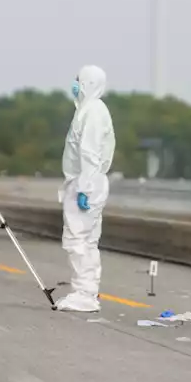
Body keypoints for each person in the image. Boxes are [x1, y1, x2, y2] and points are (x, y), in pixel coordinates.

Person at [54, 65, 116, 312]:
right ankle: (87, 291)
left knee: (77, 238)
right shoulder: (89, 110)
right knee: (88, 240)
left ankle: (84, 294)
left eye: (78, 80)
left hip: (86, 181)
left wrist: (84, 188)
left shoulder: (92, 111)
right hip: (87, 180)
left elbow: (89, 153)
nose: (75, 84)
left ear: (88, 83)